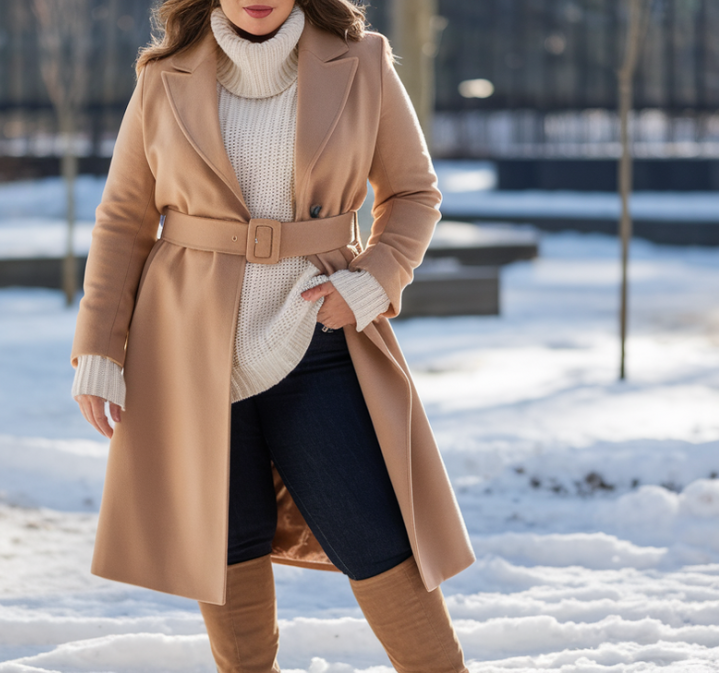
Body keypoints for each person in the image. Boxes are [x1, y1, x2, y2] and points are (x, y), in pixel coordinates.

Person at [69, 0, 475, 670]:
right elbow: (123, 220)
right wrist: (100, 349)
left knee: (374, 533)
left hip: (317, 330)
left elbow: (413, 194)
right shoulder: (164, 75)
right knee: (226, 543)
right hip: (187, 347)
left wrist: (371, 281)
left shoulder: (363, 61)